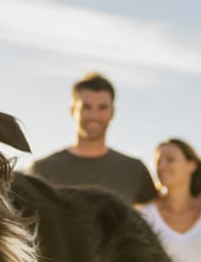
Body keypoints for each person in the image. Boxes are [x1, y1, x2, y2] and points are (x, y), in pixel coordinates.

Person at [29, 73, 158, 205]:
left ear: (112, 112)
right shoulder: (42, 170)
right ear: (73, 110)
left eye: (102, 107)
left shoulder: (134, 170)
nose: (94, 116)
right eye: (86, 107)